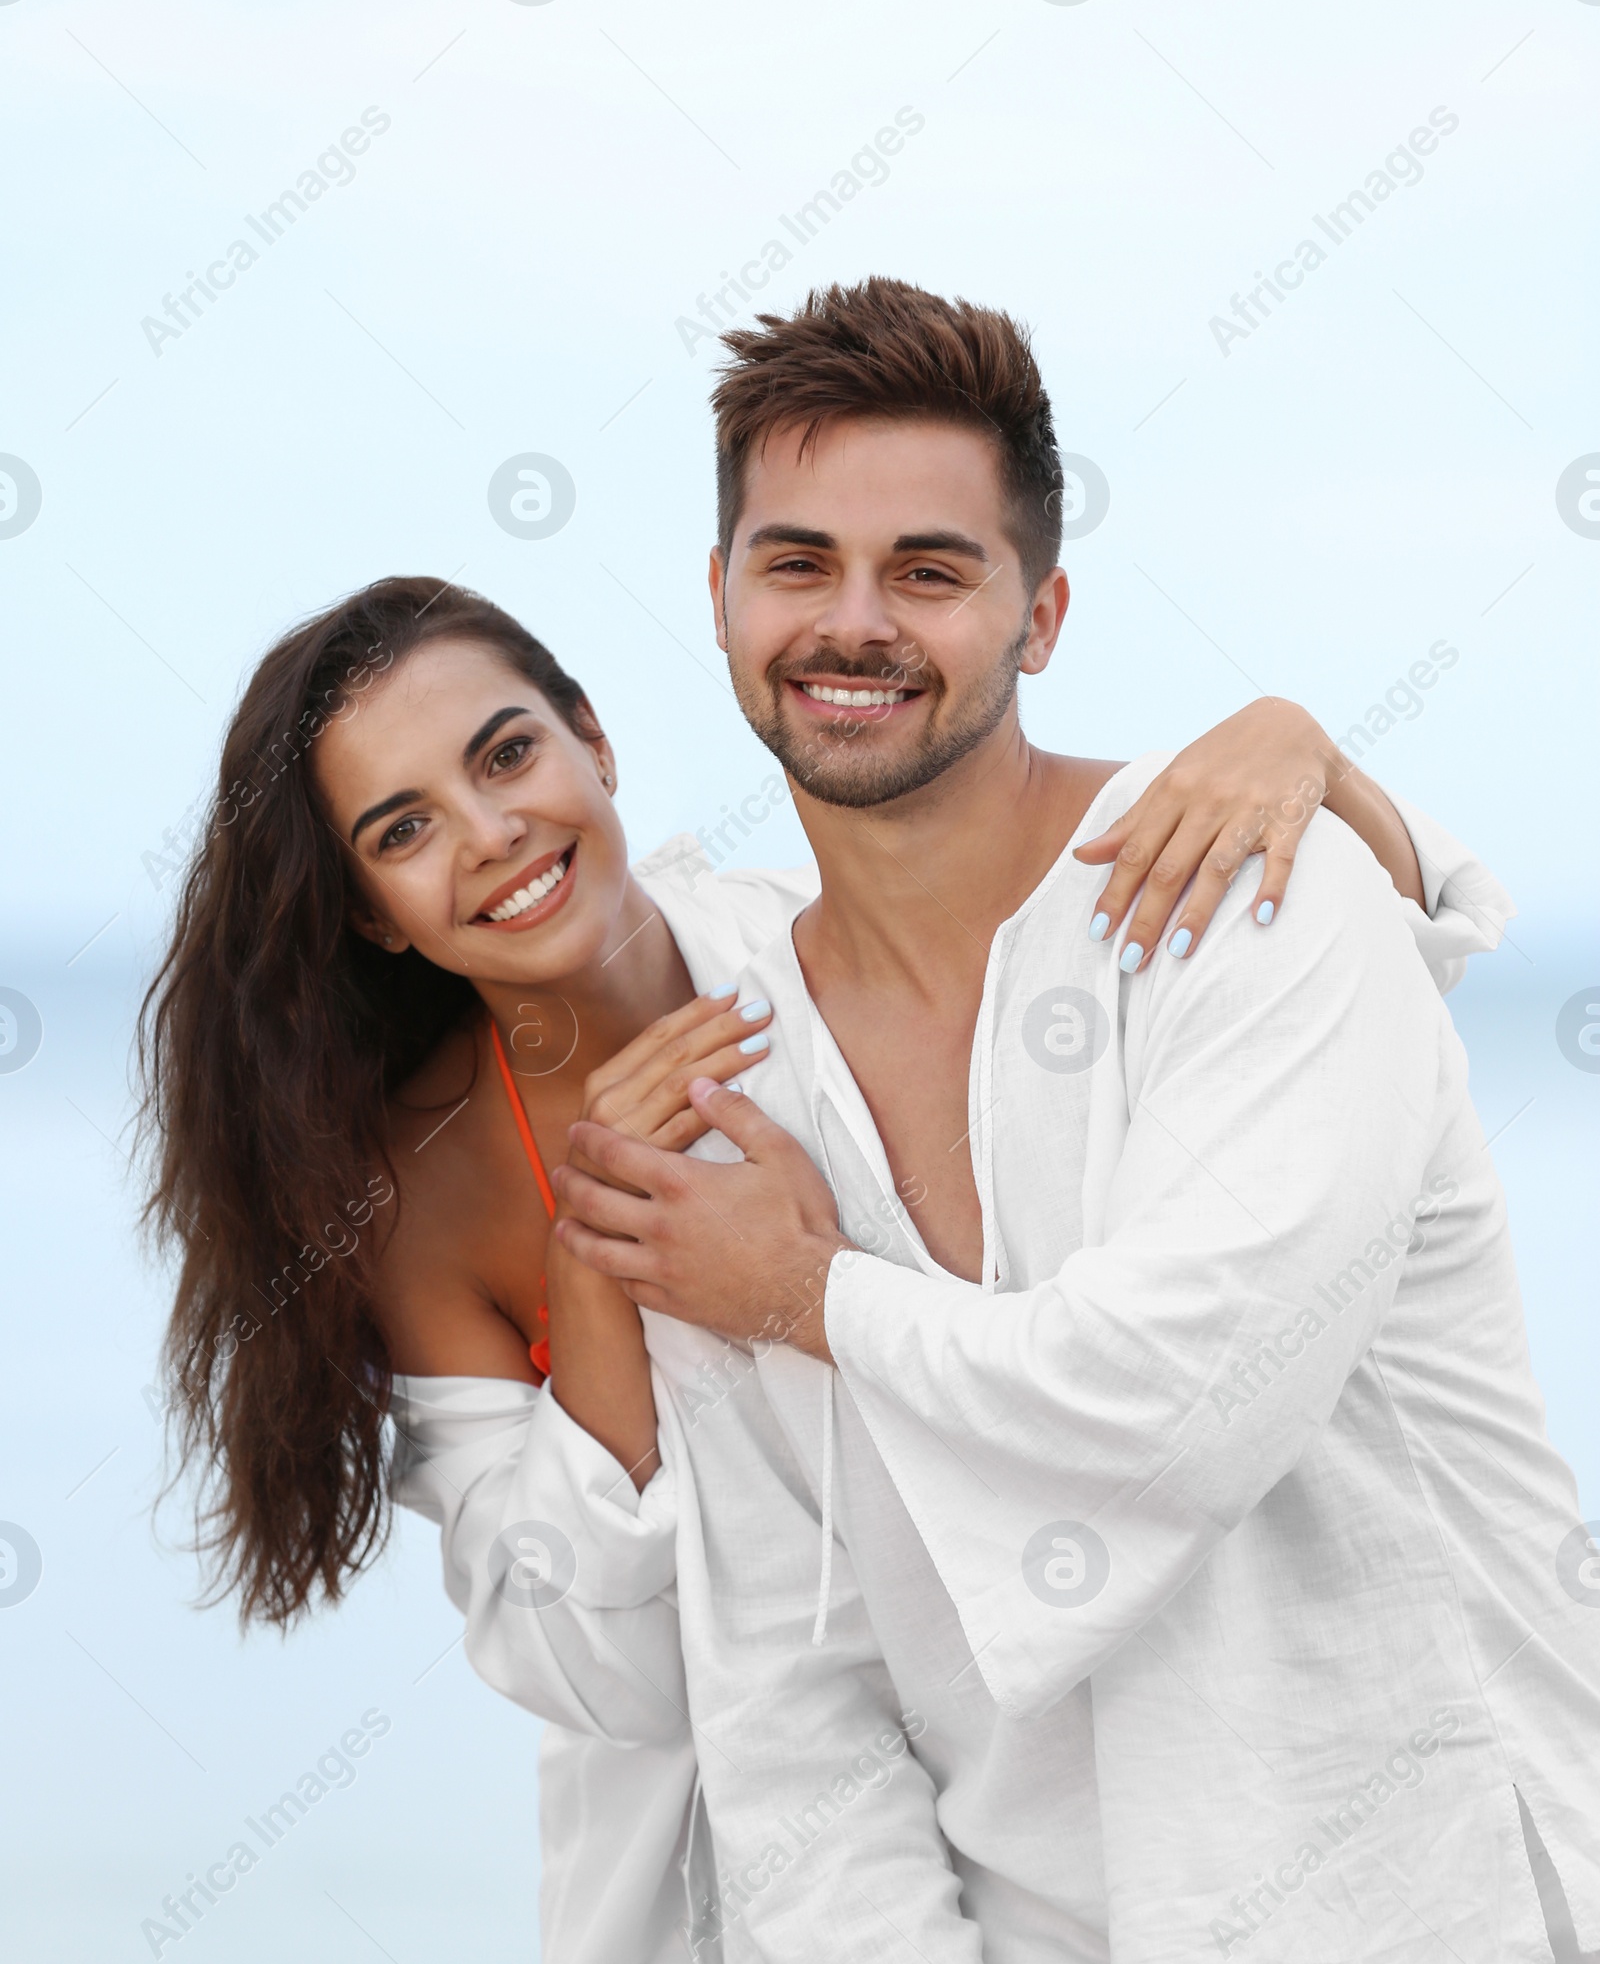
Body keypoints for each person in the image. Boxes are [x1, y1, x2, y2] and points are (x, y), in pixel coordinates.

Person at [138, 565, 1497, 1964]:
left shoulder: (824, 969)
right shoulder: (420, 1195)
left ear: (593, 741)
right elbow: (589, 1664)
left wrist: (1308, 754)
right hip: (712, 1857)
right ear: (370, 909)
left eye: (508, 754)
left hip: (1036, 1764)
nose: (489, 835)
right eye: (403, 827)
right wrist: (595, 1262)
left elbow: (1272, 1091)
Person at [555, 279, 1599, 1964]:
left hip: (1426, 1901)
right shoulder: (728, 1080)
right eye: (798, 561)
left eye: (932, 570)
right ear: (722, 597)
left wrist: (808, 1297)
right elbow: (787, 1676)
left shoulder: (1260, 897)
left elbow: (1180, 1404)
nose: (855, 623)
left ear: (1041, 617)